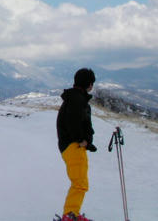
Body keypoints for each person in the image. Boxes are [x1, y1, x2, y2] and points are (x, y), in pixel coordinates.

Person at [56, 68, 97, 221]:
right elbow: (74, 123)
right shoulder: (77, 100)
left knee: (80, 182)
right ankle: (70, 215)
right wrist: (81, 140)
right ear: (90, 84)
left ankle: (72, 214)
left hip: (71, 146)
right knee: (80, 183)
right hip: (73, 146)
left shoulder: (74, 98)